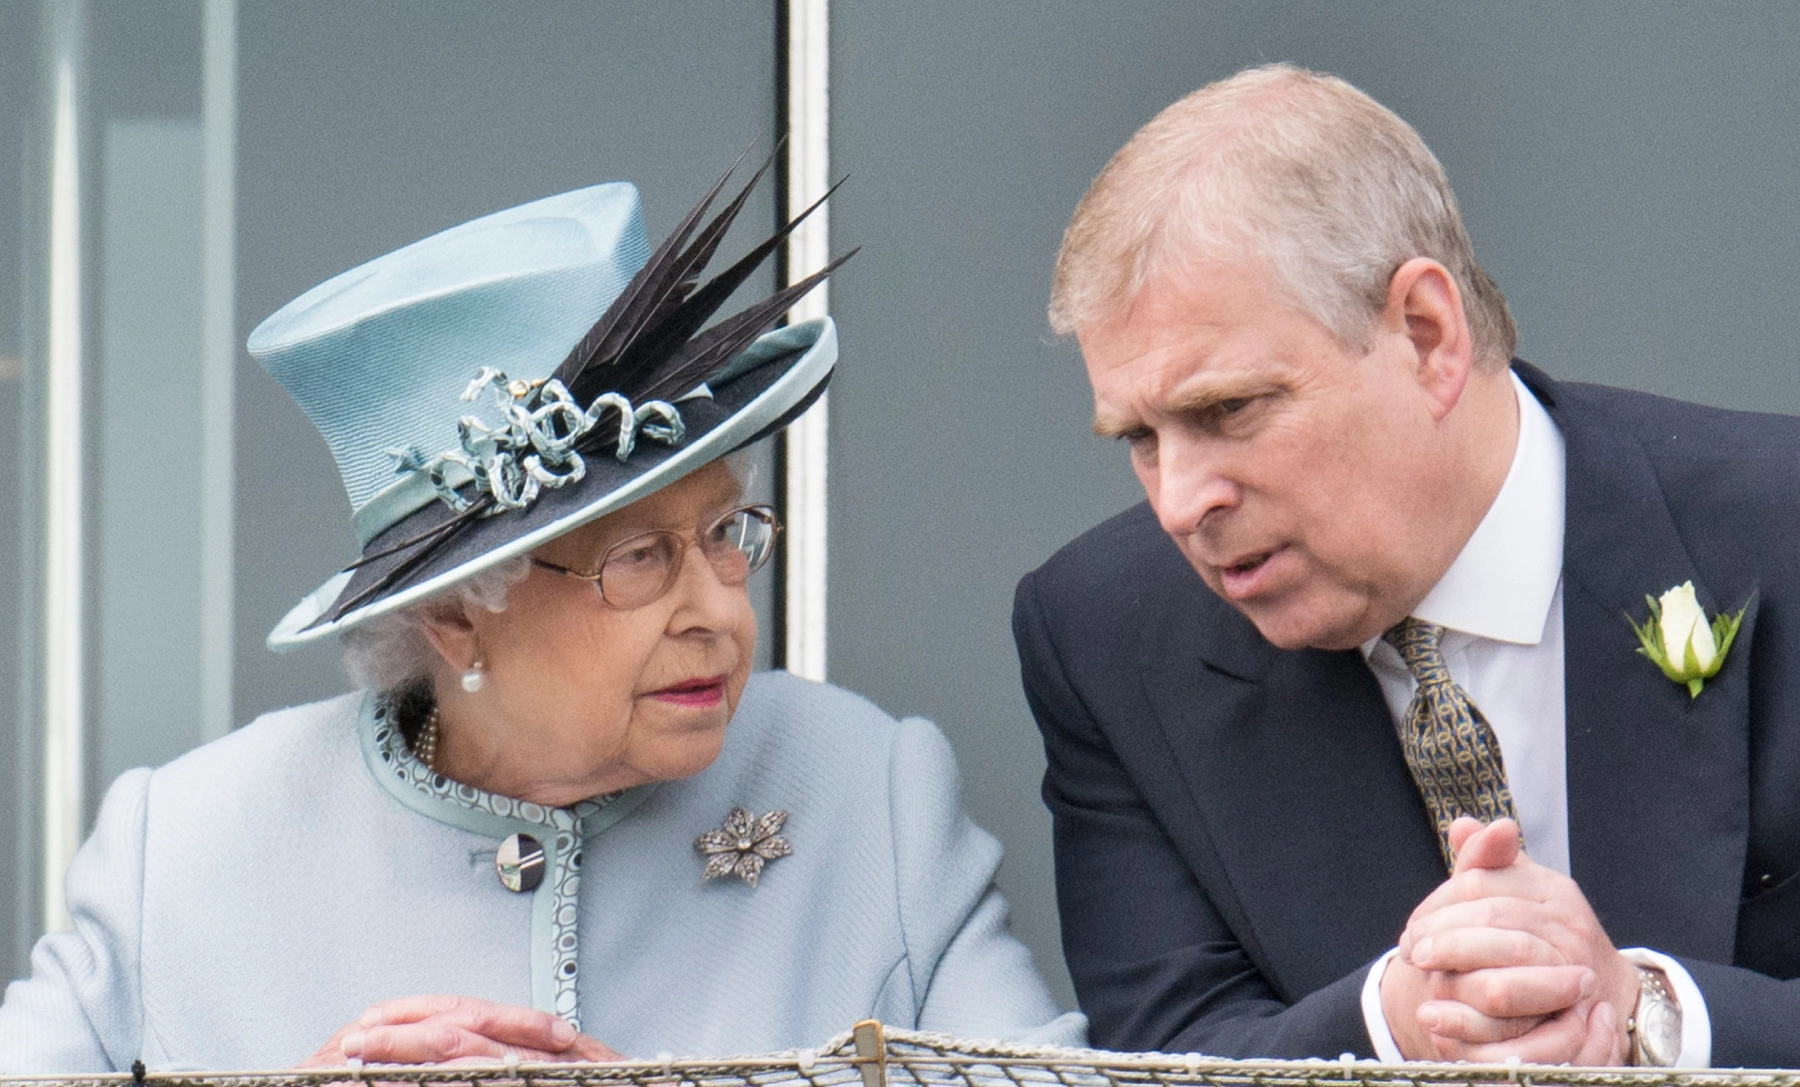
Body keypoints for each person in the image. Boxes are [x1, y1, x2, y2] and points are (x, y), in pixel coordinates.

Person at [1014, 63, 1800, 1070]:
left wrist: (1646, 1015)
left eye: (1228, 410)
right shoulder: (1104, 638)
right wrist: (1392, 1025)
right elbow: (1162, 1053)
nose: (1180, 501)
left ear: (1427, 336)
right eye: (1139, 437)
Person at [0, 169, 1083, 1072]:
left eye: (723, 532)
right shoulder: (186, 846)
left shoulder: (865, 790)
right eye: (639, 558)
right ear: (454, 617)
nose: (717, 608)